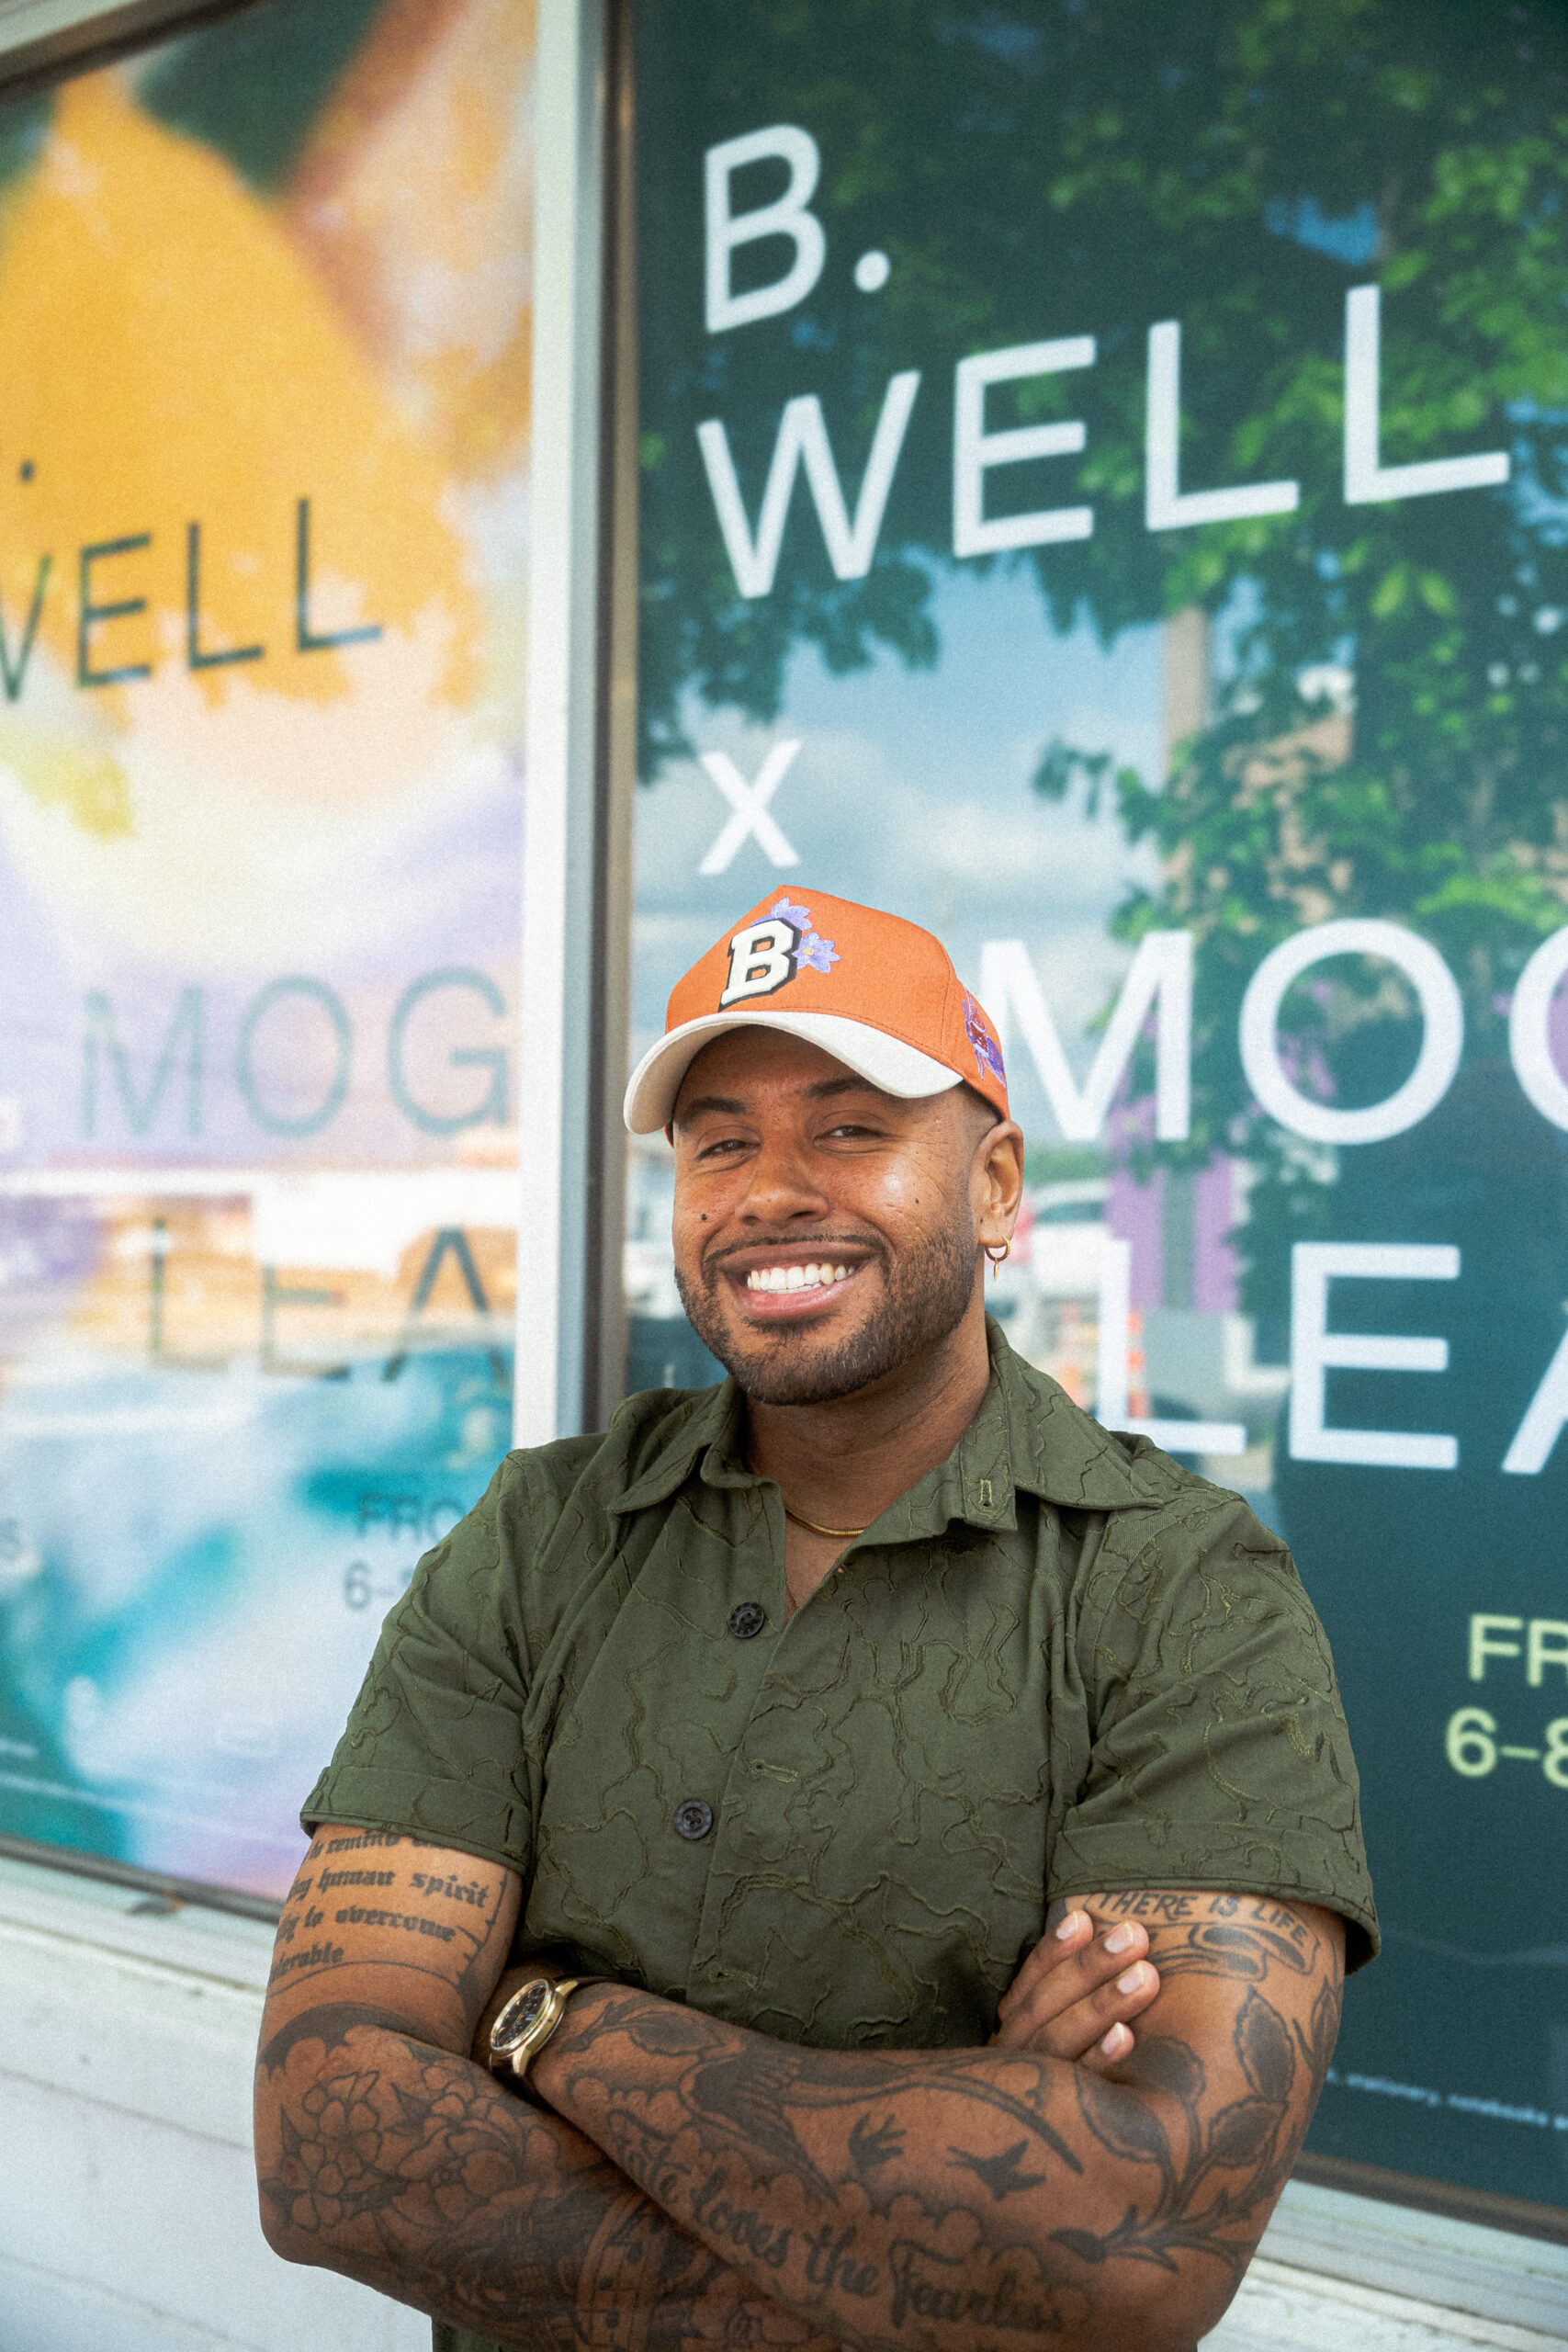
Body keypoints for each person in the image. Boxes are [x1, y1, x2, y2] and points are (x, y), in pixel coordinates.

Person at [254, 888, 1377, 2352]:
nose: (770, 1188)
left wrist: (545, 2025)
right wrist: (954, 2188)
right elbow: (327, 2151)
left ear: (994, 1187)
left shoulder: (1179, 1592)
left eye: (850, 1127)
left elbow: (1141, 2239)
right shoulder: (542, 1536)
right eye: (719, 1140)